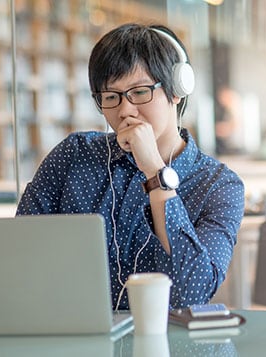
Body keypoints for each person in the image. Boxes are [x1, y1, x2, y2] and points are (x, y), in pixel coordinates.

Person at [16, 23, 245, 310]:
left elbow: (190, 293)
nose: (124, 111)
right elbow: (19, 259)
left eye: (139, 92)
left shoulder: (218, 185)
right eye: (111, 97)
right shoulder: (73, 156)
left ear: (176, 91)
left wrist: (154, 171)